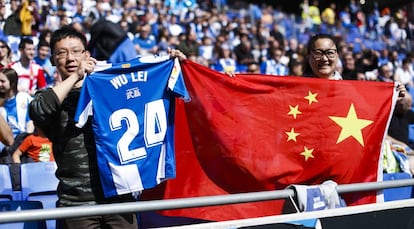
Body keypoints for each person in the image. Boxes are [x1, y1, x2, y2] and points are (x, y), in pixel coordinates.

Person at [29, 25, 186, 229]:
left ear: (87, 55)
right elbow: (38, 110)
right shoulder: (50, 97)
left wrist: (171, 64)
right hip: (77, 203)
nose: (70, 58)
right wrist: (77, 76)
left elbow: (156, 91)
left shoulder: (113, 88)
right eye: (61, 53)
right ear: (52, 60)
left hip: (120, 198)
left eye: (76, 51)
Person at [0, 68, 34, 163]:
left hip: (23, 143)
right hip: (5, 147)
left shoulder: (24, 97)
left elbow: (30, 122)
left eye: (2, 81)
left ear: (12, 83)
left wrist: (26, 142)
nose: (0, 84)